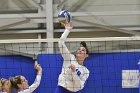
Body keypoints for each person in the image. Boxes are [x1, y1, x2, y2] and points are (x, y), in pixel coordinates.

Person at [55, 23, 90, 93]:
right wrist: (67, 30)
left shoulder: (86, 71)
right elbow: (60, 42)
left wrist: (74, 72)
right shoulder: (69, 57)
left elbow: (79, 86)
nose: (80, 50)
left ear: (86, 55)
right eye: (79, 49)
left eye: (83, 50)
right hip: (62, 90)